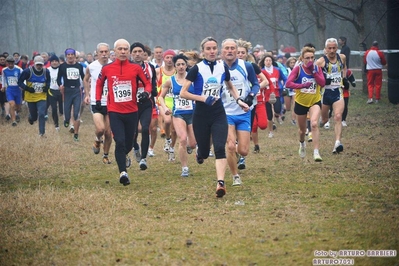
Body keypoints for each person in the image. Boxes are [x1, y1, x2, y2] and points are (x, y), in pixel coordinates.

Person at [180, 37, 249, 198]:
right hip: (201, 114)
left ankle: (220, 183)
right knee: (204, 152)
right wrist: (203, 98)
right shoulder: (196, 69)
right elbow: (183, 92)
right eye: (208, 49)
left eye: (214, 48)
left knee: (219, 148)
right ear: (203, 51)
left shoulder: (222, 67)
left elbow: (230, 86)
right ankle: (200, 153)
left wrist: (239, 100)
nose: (212, 51)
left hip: (218, 112)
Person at [96, 38, 152, 186]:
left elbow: (148, 84)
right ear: (114, 51)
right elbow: (99, 84)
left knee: (129, 143)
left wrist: (146, 93)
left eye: (125, 49)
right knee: (119, 141)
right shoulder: (107, 68)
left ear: (128, 52)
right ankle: (123, 173)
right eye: (119, 49)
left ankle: (126, 154)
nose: (122, 52)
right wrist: (97, 100)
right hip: (114, 111)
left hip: (132, 111)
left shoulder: (136, 68)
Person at [221, 38, 259, 185]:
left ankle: (236, 154)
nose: (230, 51)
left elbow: (255, 84)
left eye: (232, 48)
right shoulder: (218, 68)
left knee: (243, 151)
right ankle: (235, 175)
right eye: (227, 48)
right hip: (226, 113)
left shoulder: (246, 66)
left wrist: (250, 96)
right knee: (230, 145)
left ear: (237, 51)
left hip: (243, 113)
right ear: (222, 51)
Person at [159, 54, 196, 177]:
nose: (181, 67)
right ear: (175, 67)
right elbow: (160, 97)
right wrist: (165, 108)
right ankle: (184, 167)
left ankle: (190, 148)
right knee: (182, 139)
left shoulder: (192, 80)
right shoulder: (171, 81)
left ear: (186, 66)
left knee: (193, 144)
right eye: (178, 65)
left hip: (192, 114)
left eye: (183, 64)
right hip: (178, 114)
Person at [286, 46, 325, 161]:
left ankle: (316, 152)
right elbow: (288, 83)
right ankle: (302, 144)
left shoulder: (317, 69)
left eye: (312, 58)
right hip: (301, 103)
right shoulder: (298, 69)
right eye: (307, 58)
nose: (310, 60)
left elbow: (322, 83)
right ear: (302, 58)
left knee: (314, 124)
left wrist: (314, 71)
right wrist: (302, 85)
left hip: (314, 101)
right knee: (302, 130)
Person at [83, 43, 113, 164]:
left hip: (111, 102)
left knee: (108, 132)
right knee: (100, 129)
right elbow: (85, 79)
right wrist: (87, 94)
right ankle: (97, 140)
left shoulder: (113, 65)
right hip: (97, 101)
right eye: (102, 52)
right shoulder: (92, 66)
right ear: (97, 53)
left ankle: (105, 156)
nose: (104, 54)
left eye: (106, 51)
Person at [130, 42, 158, 170]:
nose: (137, 54)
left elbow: (153, 85)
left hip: (146, 103)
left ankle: (143, 159)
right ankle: (135, 147)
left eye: (139, 52)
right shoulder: (127, 67)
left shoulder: (150, 67)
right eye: (134, 52)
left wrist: (151, 94)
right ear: (131, 54)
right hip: (131, 103)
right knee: (133, 132)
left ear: (144, 53)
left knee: (146, 128)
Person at [316, 38, 347, 154]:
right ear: (325, 49)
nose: (332, 50)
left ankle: (337, 143)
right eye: (329, 48)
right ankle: (315, 126)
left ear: (337, 48)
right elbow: (314, 76)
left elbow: (344, 68)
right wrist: (323, 80)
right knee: (324, 119)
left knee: (338, 116)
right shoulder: (320, 62)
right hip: (325, 94)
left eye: (334, 48)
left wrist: (344, 78)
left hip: (337, 92)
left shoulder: (342, 57)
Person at [57, 48, 85, 141]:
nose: (70, 56)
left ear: (74, 56)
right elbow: (58, 78)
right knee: (67, 111)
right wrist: (60, 85)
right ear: (66, 56)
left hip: (77, 91)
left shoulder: (79, 66)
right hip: (67, 91)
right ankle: (66, 120)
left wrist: (86, 87)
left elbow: (83, 78)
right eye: (68, 55)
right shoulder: (62, 66)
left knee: (76, 113)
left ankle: (76, 133)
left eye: (71, 54)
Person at [18, 56, 50, 136]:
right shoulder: (27, 71)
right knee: (34, 117)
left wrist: (46, 87)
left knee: (42, 114)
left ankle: (42, 133)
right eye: (37, 64)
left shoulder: (46, 71)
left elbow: (48, 81)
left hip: (41, 96)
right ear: (34, 64)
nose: (39, 66)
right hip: (30, 97)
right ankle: (31, 117)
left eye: (41, 65)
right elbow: (19, 82)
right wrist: (27, 88)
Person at [156, 49, 177, 157]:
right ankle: (168, 139)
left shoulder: (178, 71)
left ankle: (172, 148)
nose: (169, 60)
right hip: (162, 101)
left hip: (176, 101)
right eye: (167, 57)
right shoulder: (158, 71)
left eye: (171, 57)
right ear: (164, 59)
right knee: (167, 121)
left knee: (174, 130)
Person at [2, 55, 23, 126]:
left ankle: (16, 114)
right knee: (12, 104)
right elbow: (3, 78)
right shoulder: (4, 70)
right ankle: (13, 121)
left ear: (14, 63)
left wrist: (23, 86)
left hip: (18, 89)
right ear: (7, 63)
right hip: (10, 89)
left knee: (17, 107)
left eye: (12, 63)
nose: (10, 65)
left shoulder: (19, 69)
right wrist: (3, 86)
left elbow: (23, 78)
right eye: (9, 63)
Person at [47, 54, 63, 131]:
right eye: (52, 61)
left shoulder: (61, 69)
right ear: (50, 62)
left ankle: (65, 120)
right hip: (51, 91)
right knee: (54, 108)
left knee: (61, 110)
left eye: (56, 61)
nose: (54, 62)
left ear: (58, 62)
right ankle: (56, 125)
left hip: (60, 91)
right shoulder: (47, 70)